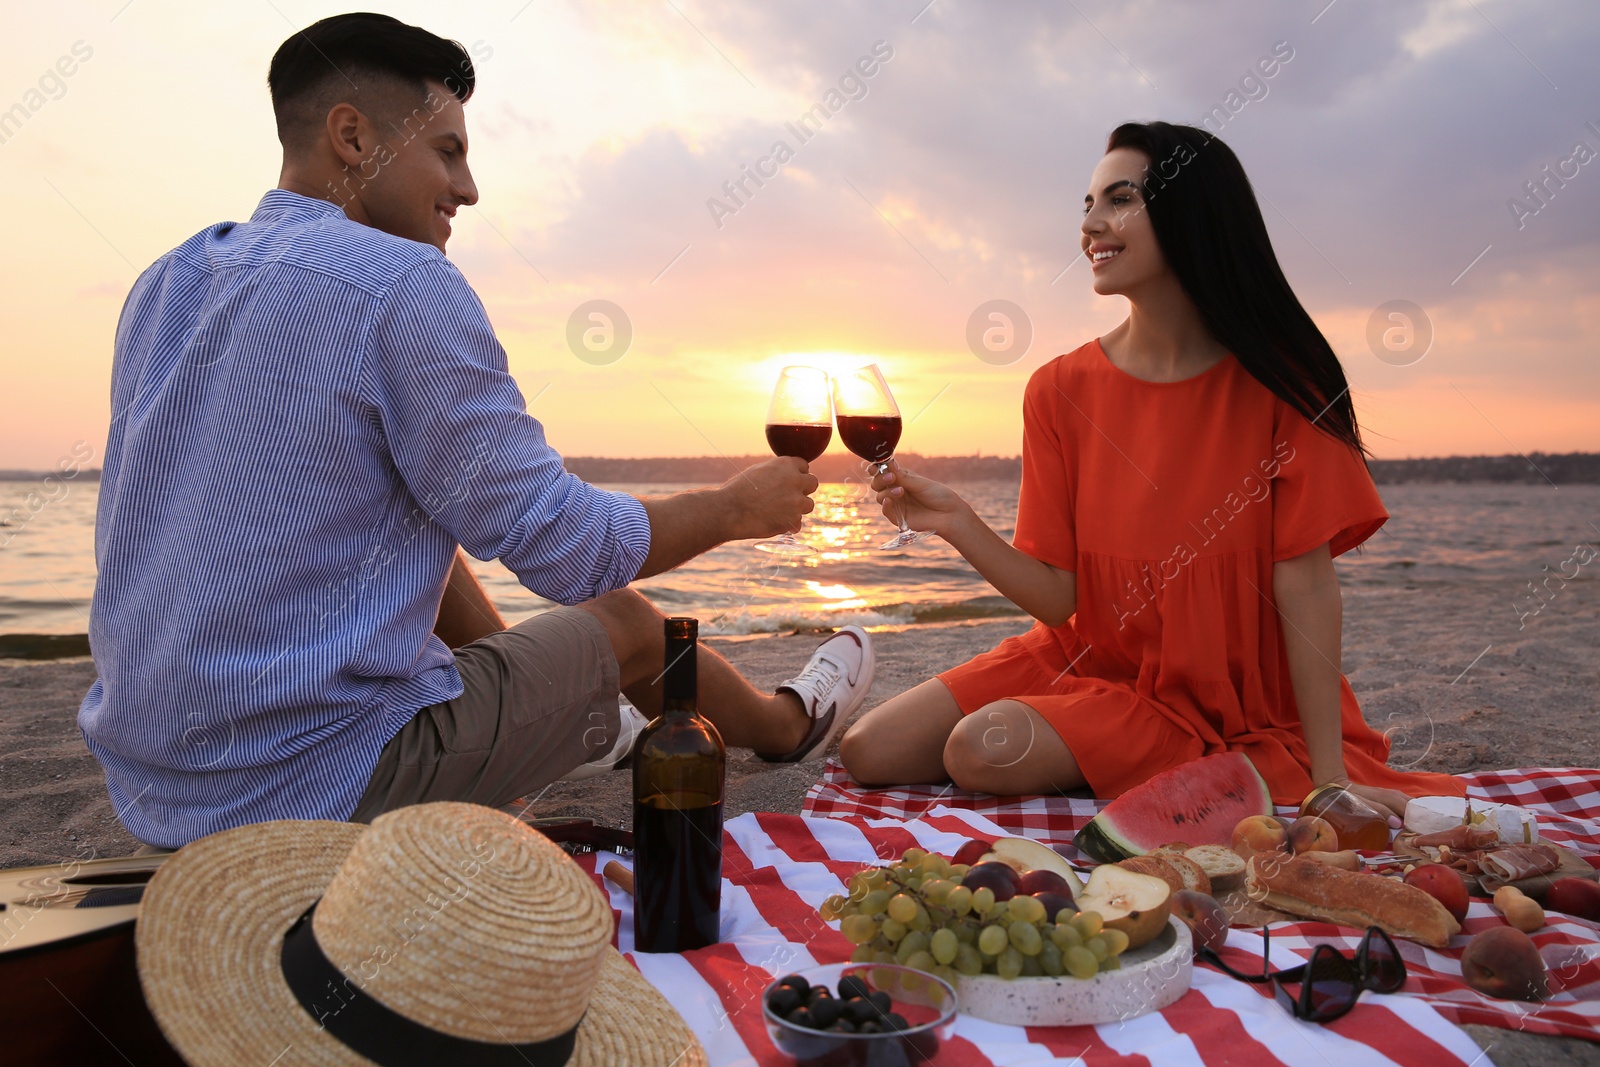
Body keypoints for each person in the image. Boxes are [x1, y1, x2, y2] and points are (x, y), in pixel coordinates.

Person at [78, 13, 874, 850]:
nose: (469, 188)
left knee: (425, 520)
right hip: (315, 787)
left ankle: (552, 711)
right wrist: (733, 508)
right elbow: (570, 551)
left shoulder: (165, 280)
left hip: (156, 786)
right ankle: (786, 727)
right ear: (351, 137)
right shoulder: (403, 282)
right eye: (448, 151)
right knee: (627, 619)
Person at [839, 121, 1464, 819]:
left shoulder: (1283, 384)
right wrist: (956, 519)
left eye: (1119, 198)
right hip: (1090, 660)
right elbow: (1056, 598)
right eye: (1086, 203)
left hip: (1220, 696)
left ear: (1191, 214)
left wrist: (1325, 776)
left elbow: (1308, 584)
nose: (1091, 224)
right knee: (868, 748)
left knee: (977, 749)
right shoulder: (1057, 389)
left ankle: (1231, 759)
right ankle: (1116, 748)